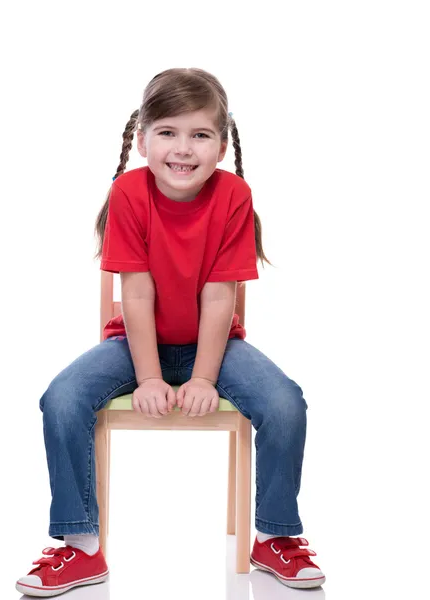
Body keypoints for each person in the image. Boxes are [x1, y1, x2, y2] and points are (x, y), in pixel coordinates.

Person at [16, 67, 326, 596]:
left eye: (200, 135)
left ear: (223, 145)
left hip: (216, 344)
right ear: (142, 140)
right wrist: (150, 377)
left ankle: (275, 536)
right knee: (62, 397)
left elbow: (218, 296)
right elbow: (136, 294)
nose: (183, 149)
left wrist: (203, 378)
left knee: (285, 402)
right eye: (168, 132)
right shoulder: (129, 194)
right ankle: (80, 546)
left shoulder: (232, 196)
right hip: (133, 347)